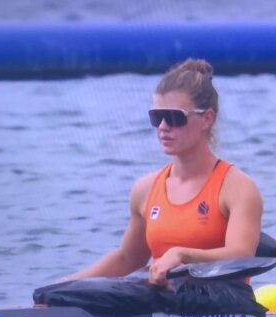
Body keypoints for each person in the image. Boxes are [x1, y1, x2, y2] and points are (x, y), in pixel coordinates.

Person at [66, 58, 262, 285]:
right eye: (157, 117)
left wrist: (183, 255)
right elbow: (127, 259)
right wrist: (64, 286)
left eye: (173, 117)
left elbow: (242, 257)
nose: (162, 127)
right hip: (163, 302)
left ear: (207, 118)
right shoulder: (145, 189)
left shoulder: (238, 188)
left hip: (222, 307)